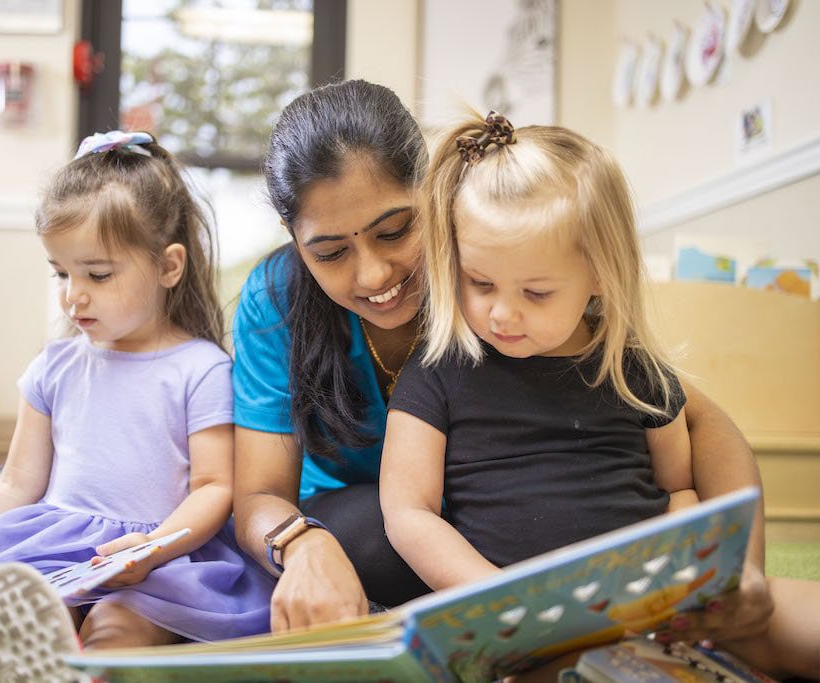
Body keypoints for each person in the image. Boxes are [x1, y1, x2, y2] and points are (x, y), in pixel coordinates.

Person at [231, 79, 775, 643]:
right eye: (331, 252)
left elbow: (691, 417)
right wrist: (303, 544)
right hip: (393, 534)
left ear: (435, 194)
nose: (373, 275)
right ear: (293, 238)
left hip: (513, 528)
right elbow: (259, 495)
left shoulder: (488, 275)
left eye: (395, 232)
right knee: (365, 532)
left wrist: (746, 567)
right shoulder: (277, 301)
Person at [379, 113, 820, 680]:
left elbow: (679, 486)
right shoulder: (438, 370)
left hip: (655, 607)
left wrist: (694, 574)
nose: (502, 312)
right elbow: (407, 512)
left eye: (536, 292)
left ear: (600, 273)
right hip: (530, 627)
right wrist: (498, 601)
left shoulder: (633, 370)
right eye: (481, 284)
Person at [0, 131, 274, 683]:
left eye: (98, 274)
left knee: (119, 631)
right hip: (57, 546)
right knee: (16, 612)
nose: (73, 294)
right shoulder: (54, 366)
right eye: (61, 273)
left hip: (151, 555)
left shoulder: (200, 368)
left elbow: (213, 487)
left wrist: (154, 548)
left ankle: (85, 670)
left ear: (169, 266)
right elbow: (16, 483)